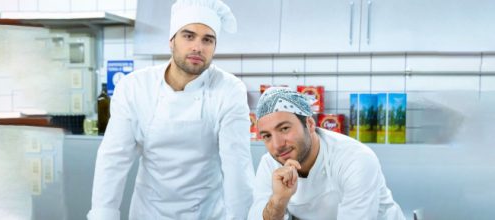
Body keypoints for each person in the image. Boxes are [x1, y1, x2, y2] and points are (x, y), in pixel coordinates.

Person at [87, 0, 254, 219]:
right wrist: (103, 215)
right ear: (171, 41)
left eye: (207, 40)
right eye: (188, 36)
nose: (197, 47)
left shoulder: (230, 90)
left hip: (206, 213)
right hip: (149, 212)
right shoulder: (135, 87)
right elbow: (114, 158)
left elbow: (237, 168)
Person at [248, 87, 405, 220]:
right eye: (267, 136)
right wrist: (279, 200)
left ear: (309, 124)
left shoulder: (354, 159)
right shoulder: (270, 164)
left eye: (284, 128)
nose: (277, 145)